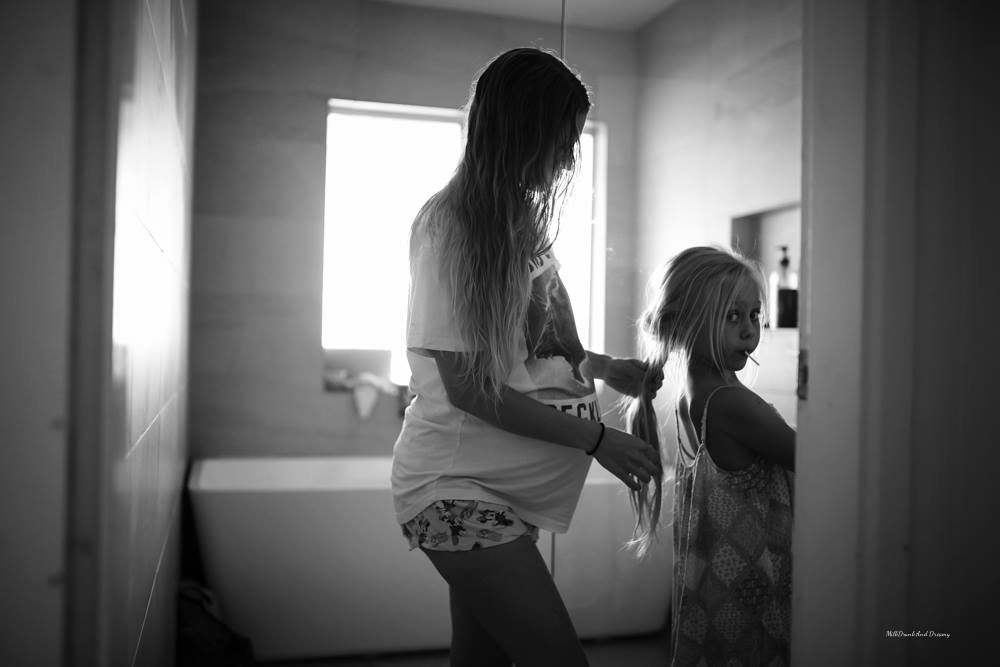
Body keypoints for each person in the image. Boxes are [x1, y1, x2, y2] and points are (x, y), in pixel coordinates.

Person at [390, 47, 663, 667]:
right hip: (457, 487)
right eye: (561, 140)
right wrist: (596, 441)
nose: (569, 157)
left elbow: (529, 352)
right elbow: (468, 387)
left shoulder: (519, 220)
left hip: (505, 491)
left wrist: (604, 367)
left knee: (481, 661)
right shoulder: (451, 229)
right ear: (523, 132)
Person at [624, 246, 795, 666]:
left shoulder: (692, 398)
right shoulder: (730, 403)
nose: (748, 329)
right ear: (685, 324)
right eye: (732, 316)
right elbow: (817, 458)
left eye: (754, 315)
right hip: (753, 590)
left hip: (716, 596)